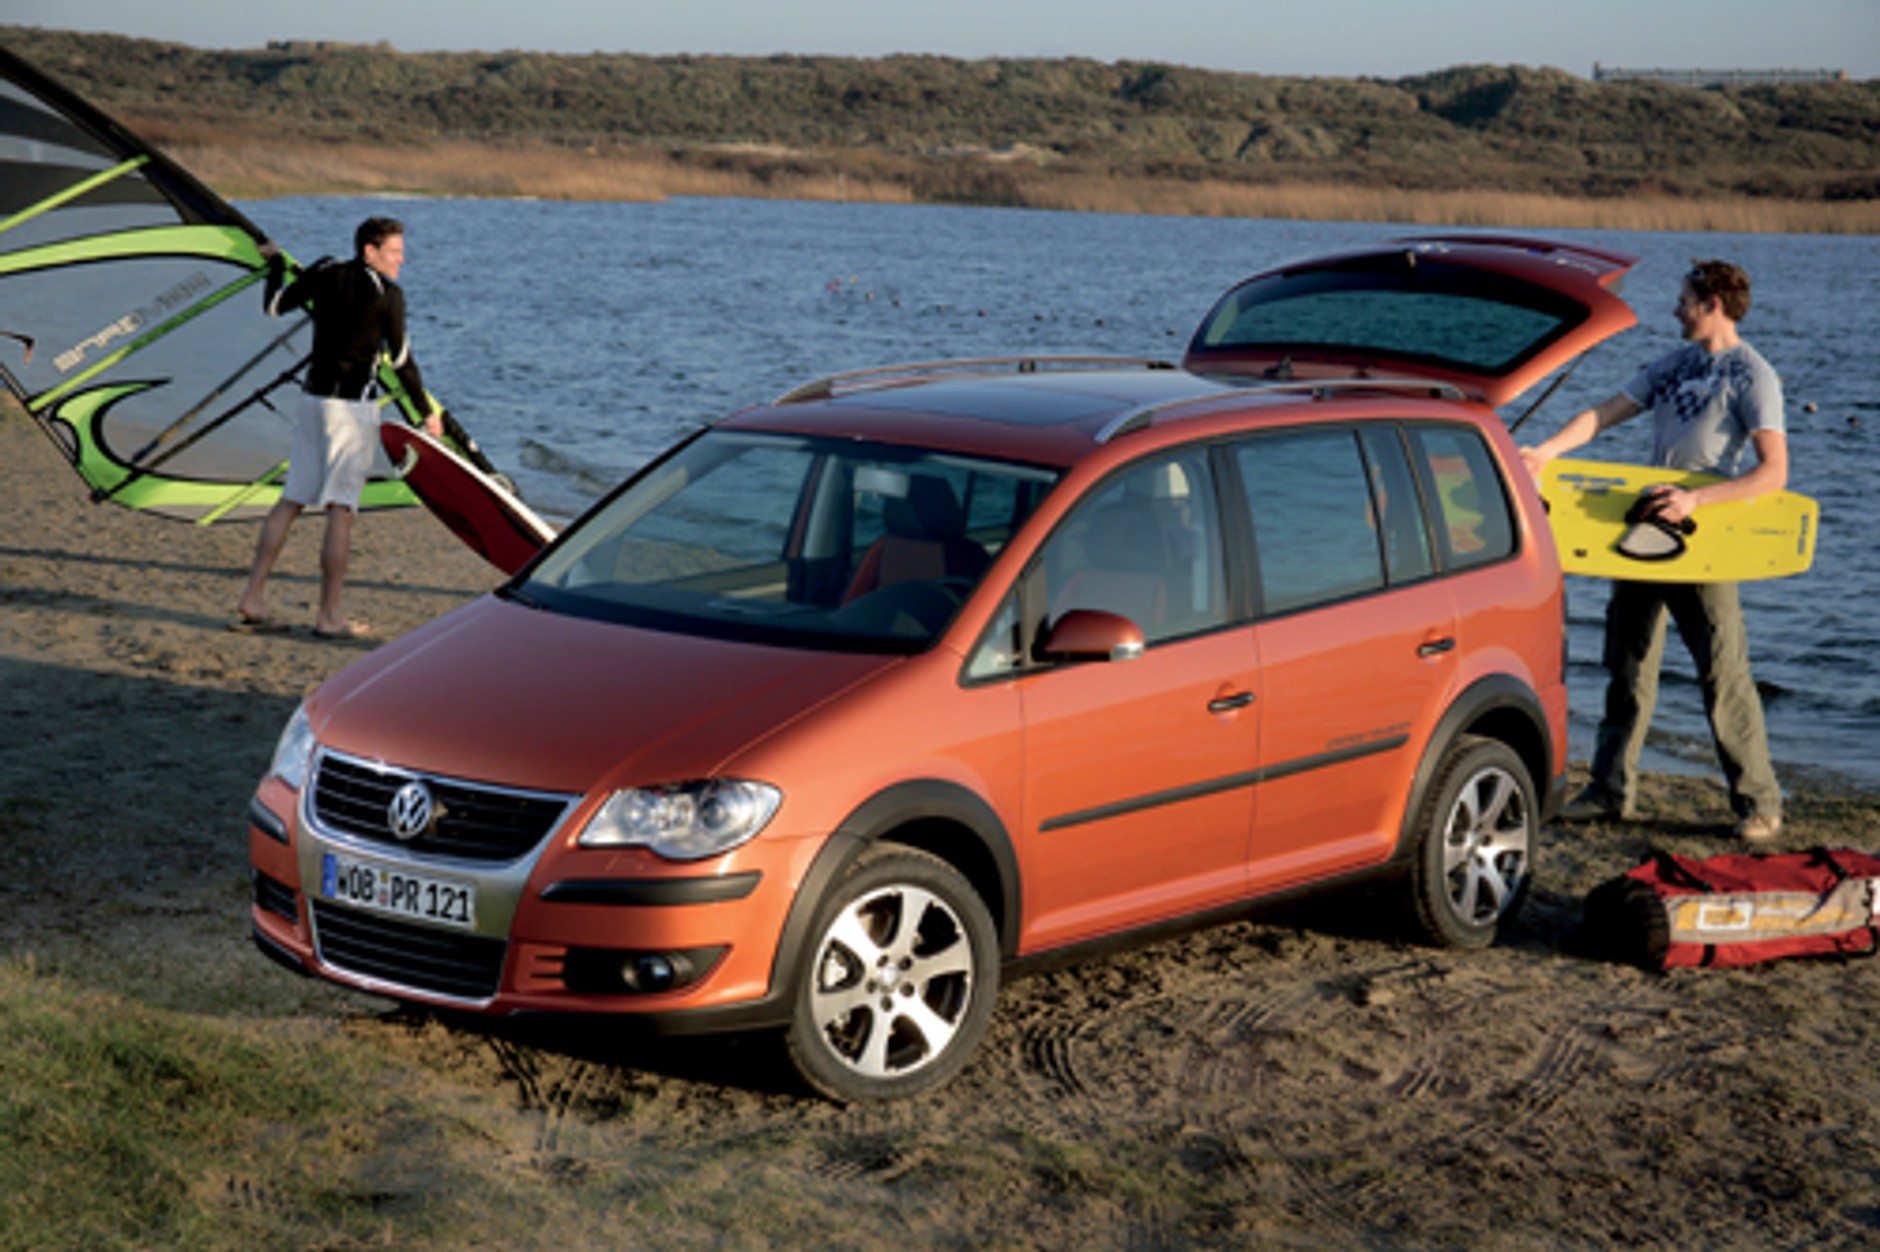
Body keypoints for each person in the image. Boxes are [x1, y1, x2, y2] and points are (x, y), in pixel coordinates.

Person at [1521, 259, 1787, 843]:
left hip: (1703, 540)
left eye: (1684, 299)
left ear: (1712, 303)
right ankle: (1610, 791)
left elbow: (1773, 475)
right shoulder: (1677, 364)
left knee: (1722, 673)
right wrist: (1545, 454)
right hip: (1640, 533)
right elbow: (1605, 413)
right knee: (1626, 664)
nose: (1675, 308)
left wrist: (1699, 503)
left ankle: (1759, 804)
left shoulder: (1752, 374)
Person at [233, 216, 442, 640]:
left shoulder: (325, 271)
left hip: (313, 402)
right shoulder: (390, 295)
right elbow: (401, 362)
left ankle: (252, 597)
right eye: (395, 251)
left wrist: (274, 263)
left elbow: (274, 306)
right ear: (371, 250)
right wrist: (426, 414)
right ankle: (329, 616)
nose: (403, 259)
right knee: (341, 510)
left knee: (291, 500)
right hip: (351, 410)